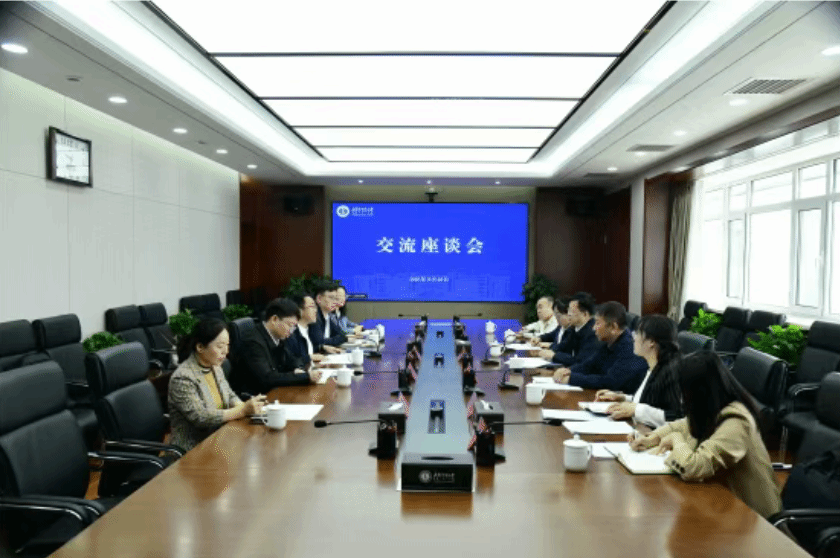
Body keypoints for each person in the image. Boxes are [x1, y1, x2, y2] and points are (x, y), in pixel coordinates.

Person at [630, 351, 782, 518]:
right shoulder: (713, 407)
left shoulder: (737, 421)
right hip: (722, 505)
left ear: (699, 391)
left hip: (753, 518)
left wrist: (676, 440)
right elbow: (682, 425)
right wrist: (653, 438)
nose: (681, 398)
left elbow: (694, 468)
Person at [168, 317, 266, 452]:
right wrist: (243, 410)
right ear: (200, 347)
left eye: (227, 345)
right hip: (193, 450)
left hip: (220, 438)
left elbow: (230, 396)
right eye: (220, 346)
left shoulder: (215, 367)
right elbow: (201, 417)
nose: (225, 351)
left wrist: (249, 407)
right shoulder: (183, 377)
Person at [595, 314, 683, 428]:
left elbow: (677, 418)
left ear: (651, 341)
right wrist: (623, 398)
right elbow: (651, 400)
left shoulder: (671, 371)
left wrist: (636, 409)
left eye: (638, 334)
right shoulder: (655, 365)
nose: (634, 338)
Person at [553, 301, 647, 392]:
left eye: (597, 323)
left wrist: (572, 379)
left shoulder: (630, 348)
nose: (594, 328)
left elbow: (610, 382)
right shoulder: (609, 342)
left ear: (614, 327)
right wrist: (568, 371)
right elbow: (590, 365)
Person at [234, 298, 321, 394]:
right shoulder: (253, 342)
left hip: (275, 391)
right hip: (257, 396)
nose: (291, 331)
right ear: (274, 319)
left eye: (294, 327)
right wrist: (305, 377)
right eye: (289, 325)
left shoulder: (278, 336)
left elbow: (291, 360)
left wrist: (296, 369)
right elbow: (267, 378)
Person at [539, 291, 601, 366]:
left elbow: (580, 361)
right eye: (568, 310)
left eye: (571, 311)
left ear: (584, 314)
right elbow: (562, 347)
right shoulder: (574, 329)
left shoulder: (593, 333)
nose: (568, 314)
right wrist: (547, 351)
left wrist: (554, 355)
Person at [287, 293, 325, 367]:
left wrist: (322, 347)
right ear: (300, 310)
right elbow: (291, 362)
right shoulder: (291, 333)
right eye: (312, 307)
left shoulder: (309, 330)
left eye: (315, 307)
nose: (315, 310)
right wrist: (309, 358)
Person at [311, 281, 347, 353]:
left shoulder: (327, 316)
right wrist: (332, 341)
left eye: (336, 298)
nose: (335, 302)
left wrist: (328, 341)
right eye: (331, 298)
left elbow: (342, 335)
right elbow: (320, 342)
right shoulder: (314, 317)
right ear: (319, 299)